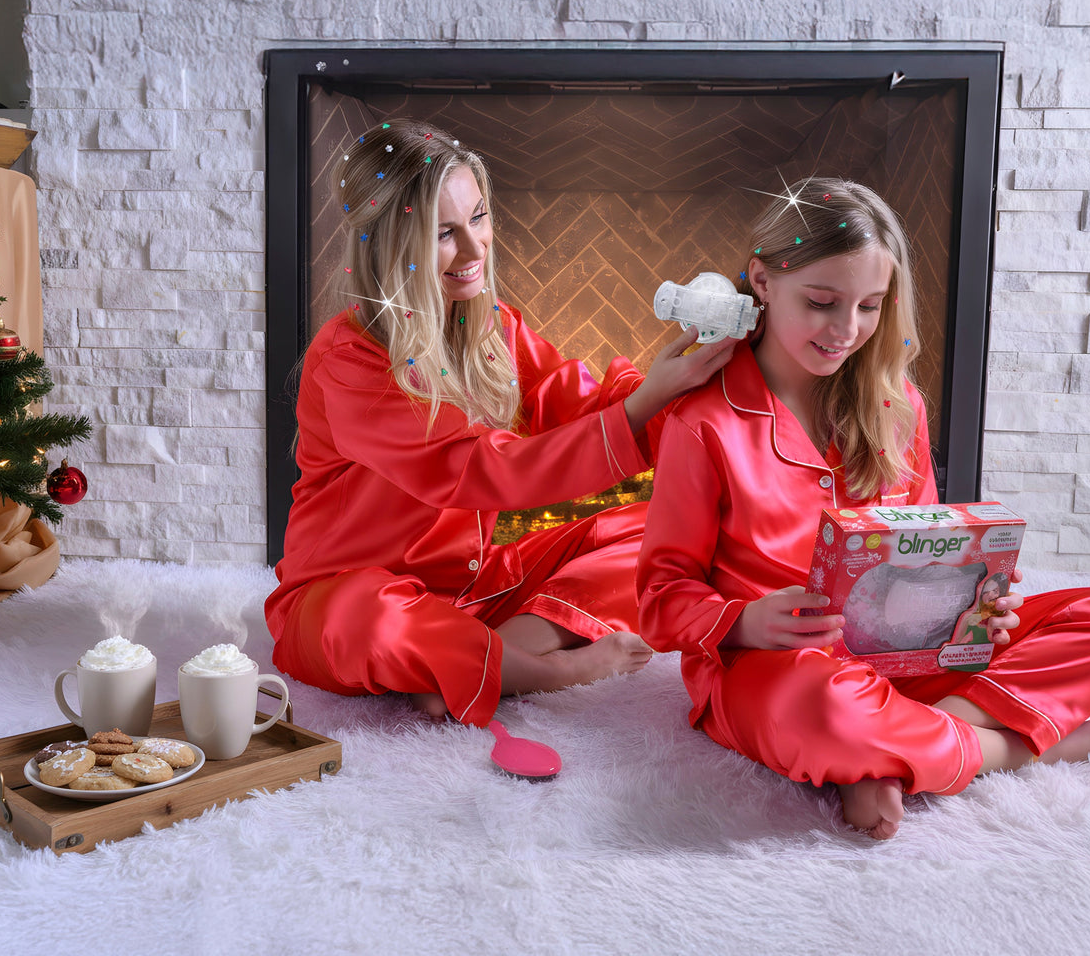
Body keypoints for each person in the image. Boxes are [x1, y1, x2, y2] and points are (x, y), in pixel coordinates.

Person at [636, 177, 1090, 840]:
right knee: (829, 711)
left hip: (909, 663)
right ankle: (1024, 746)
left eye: (869, 306)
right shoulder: (703, 423)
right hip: (772, 672)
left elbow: (925, 549)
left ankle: (887, 754)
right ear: (762, 282)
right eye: (823, 302)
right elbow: (659, 599)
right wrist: (743, 620)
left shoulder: (898, 407)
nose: (847, 330)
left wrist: (975, 604)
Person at [265, 119, 736, 727]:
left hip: (483, 581)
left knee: (657, 521)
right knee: (363, 619)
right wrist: (643, 407)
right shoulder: (348, 360)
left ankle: (490, 656)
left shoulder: (491, 328)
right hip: (350, 592)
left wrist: (688, 385)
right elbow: (477, 470)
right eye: (444, 234)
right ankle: (550, 668)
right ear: (388, 246)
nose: (474, 248)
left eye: (479, 219)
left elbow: (580, 400)